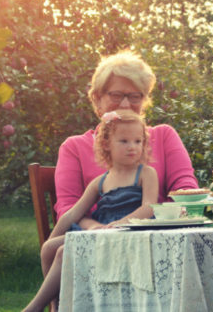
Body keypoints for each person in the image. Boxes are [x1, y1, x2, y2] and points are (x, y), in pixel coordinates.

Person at [24, 109, 158, 312]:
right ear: (106, 144)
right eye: (124, 141)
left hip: (130, 233)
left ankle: (34, 308)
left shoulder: (145, 173)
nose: (132, 147)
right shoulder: (101, 181)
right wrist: (52, 237)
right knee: (51, 248)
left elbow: (148, 207)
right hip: (102, 233)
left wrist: (120, 224)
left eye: (138, 141)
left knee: (63, 252)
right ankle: (56, 304)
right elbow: (73, 213)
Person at [54, 50, 198, 228]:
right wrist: (97, 229)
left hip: (156, 233)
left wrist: (156, 222)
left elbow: (186, 190)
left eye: (135, 96)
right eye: (116, 95)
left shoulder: (164, 135)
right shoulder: (74, 147)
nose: (125, 104)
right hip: (96, 241)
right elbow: (68, 208)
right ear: (97, 99)